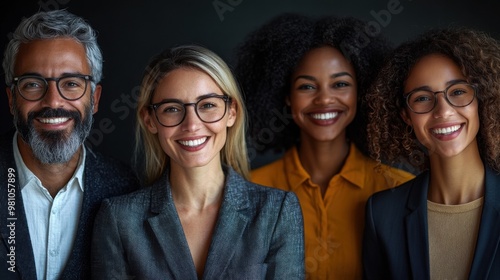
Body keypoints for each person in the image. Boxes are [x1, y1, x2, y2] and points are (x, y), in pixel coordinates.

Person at [91, 45, 305, 279]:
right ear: (150, 120)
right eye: (172, 109)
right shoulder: (119, 219)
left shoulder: (277, 211)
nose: (192, 125)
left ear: (231, 112)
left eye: (208, 105)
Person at [235, 13, 415, 279]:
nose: (324, 99)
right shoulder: (249, 192)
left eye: (340, 84)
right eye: (307, 86)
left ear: (361, 92)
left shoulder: (401, 191)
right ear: (286, 97)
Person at [0, 9, 139, 280]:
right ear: (11, 99)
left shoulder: (127, 191)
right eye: (32, 84)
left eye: (71, 83)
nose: (53, 101)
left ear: (95, 98)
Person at [362, 27, 500, 279]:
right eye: (422, 98)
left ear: (482, 100)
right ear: (406, 115)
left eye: (458, 91)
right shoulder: (381, 214)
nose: (443, 111)